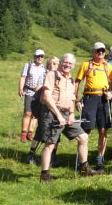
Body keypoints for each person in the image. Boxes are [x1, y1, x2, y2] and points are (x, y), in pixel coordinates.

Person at [37, 53, 97, 182]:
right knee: (50, 143)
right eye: (65, 62)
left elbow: (71, 99)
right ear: (60, 63)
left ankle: (84, 169)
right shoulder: (52, 75)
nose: (67, 65)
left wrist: (70, 114)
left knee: (83, 137)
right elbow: (47, 97)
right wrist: (58, 116)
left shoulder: (70, 80)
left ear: (73, 65)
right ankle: (45, 175)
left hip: (65, 114)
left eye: (70, 63)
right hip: (52, 113)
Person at [75, 42, 112, 172]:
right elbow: (77, 82)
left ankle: (100, 159)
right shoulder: (86, 65)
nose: (101, 53)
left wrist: (111, 93)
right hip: (89, 98)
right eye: (98, 51)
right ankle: (83, 162)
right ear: (93, 52)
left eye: (103, 51)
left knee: (103, 130)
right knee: (86, 130)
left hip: (103, 99)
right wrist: (76, 100)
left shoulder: (107, 66)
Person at [18, 49, 47, 142]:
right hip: (29, 92)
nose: (40, 58)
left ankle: (30, 133)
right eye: (38, 56)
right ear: (34, 57)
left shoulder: (45, 68)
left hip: (40, 93)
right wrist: (20, 89)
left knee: (35, 115)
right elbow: (23, 77)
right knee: (28, 113)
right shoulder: (28, 65)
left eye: (41, 56)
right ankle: (23, 133)